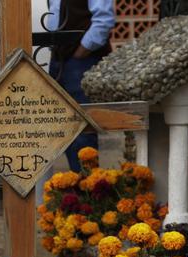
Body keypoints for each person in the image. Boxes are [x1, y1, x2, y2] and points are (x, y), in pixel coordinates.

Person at [47, 0, 116, 172]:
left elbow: (103, 21)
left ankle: (88, 190)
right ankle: (77, 186)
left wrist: (80, 52)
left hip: (81, 60)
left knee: (83, 131)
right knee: (63, 125)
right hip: (58, 58)